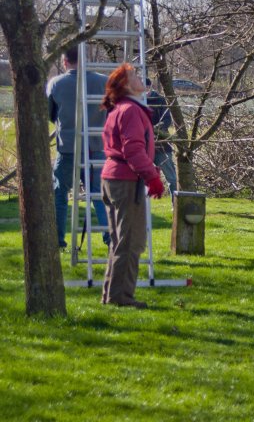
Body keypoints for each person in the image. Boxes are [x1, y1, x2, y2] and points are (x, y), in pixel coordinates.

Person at [100, 64, 165, 308]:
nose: (140, 78)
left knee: (120, 241)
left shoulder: (121, 109)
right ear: (126, 85)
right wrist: (152, 177)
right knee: (130, 242)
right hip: (126, 181)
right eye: (135, 76)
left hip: (115, 178)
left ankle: (112, 295)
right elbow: (133, 149)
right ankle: (121, 298)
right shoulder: (130, 110)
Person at [46, 46, 110, 249]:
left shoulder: (56, 83)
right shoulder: (104, 82)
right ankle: (110, 238)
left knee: (60, 195)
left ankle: (57, 240)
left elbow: (50, 114)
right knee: (99, 195)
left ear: (65, 62)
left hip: (67, 148)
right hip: (96, 146)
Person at [145, 78, 178, 195]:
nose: (145, 91)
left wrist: (154, 129)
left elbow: (167, 119)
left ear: (150, 87)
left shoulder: (159, 99)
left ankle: (176, 207)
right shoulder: (136, 100)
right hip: (142, 147)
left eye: (146, 88)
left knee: (172, 178)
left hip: (161, 145)